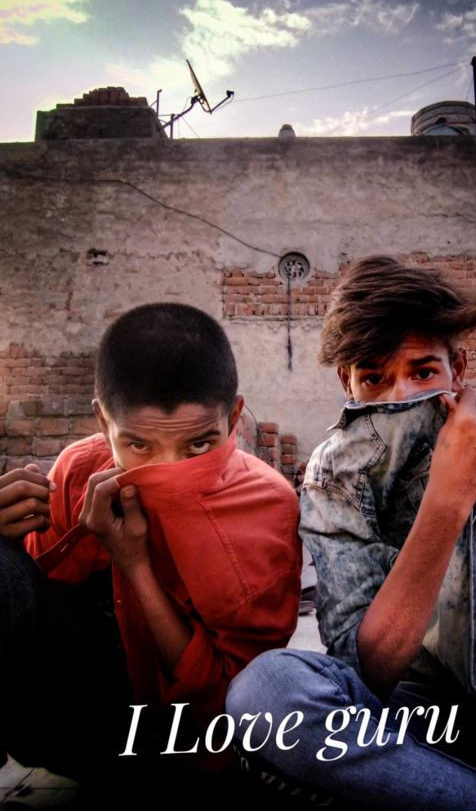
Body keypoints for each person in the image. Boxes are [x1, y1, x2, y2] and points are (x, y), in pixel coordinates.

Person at [226, 256, 476, 810]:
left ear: (457, 370)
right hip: (409, 733)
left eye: (422, 373)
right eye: (374, 379)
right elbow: (367, 667)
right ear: (347, 382)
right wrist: (447, 500)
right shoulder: (332, 474)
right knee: (267, 693)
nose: (400, 397)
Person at [0, 303, 301, 802]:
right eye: (139, 446)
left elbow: (228, 709)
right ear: (103, 421)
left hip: (189, 748)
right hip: (77, 720)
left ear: (233, 417)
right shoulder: (80, 470)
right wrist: (9, 539)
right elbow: (32, 617)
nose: (168, 470)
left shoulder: (265, 506)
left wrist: (135, 564)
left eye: (199, 446)